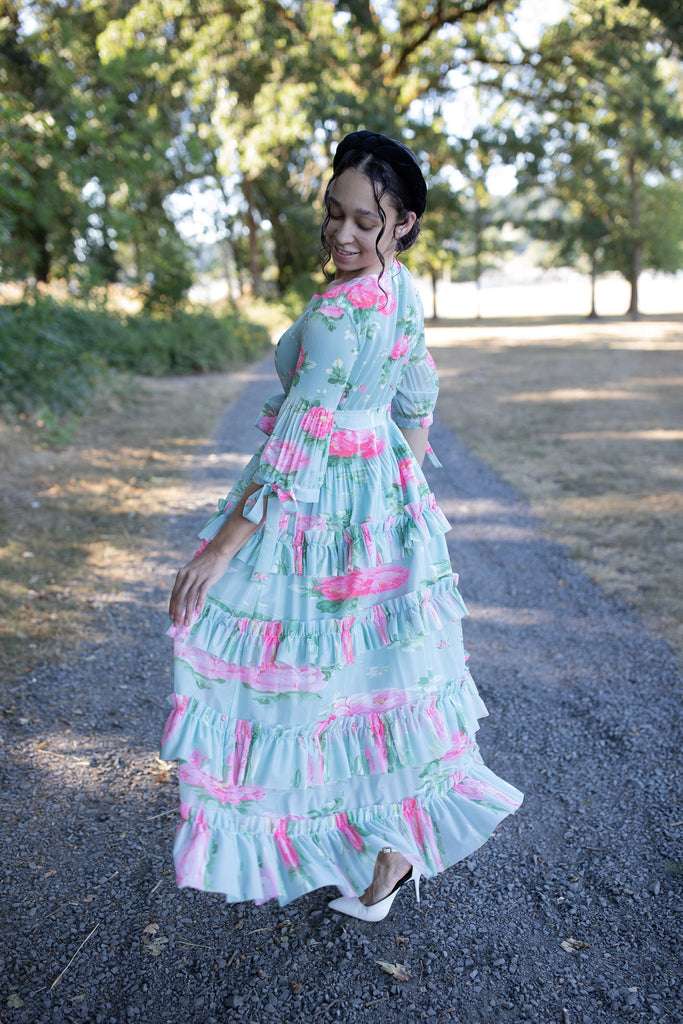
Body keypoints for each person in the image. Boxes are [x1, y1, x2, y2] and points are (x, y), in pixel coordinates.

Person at [164, 129, 523, 921]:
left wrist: (220, 550)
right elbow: (417, 391)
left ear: (403, 223)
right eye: (334, 213)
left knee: (304, 676)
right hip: (381, 498)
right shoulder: (400, 286)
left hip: (324, 504)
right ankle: (387, 850)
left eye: (365, 220)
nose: (342, 233)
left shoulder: (336, 311)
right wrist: (400, 486)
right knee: (374, 680)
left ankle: (349, 843)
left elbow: (297, 442)